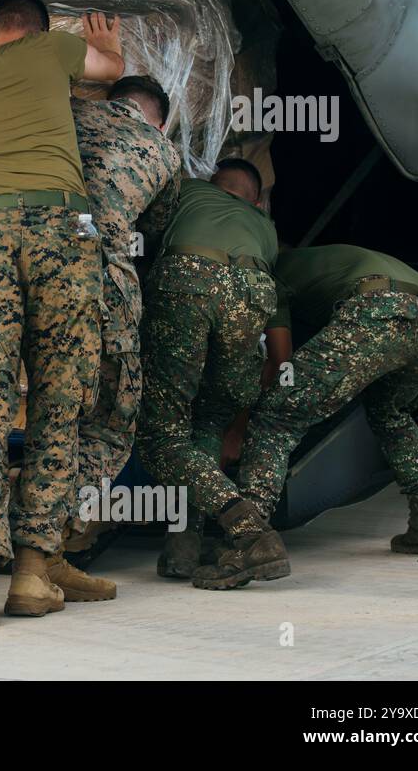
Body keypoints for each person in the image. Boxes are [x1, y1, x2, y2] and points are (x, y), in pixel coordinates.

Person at [0, 0, 125, 628]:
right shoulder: (51, 48)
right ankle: (37, 572)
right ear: (39, 32)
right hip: (64, 232)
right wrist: (110, 47)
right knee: (59, 403)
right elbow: (108, 73)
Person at [229, 244, 418, 571]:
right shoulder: (332, 258)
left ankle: (249, 539)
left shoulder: (274, 271)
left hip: (378, 310)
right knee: (392, 415)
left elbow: (280, 357)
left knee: (278, 417)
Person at [51, 76, 182, 602]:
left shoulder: (66, 112)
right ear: (160, 120)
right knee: (108, 416)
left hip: (26, 271)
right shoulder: (163, 150)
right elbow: (155, 232)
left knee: (50, 408)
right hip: (101, 283)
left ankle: (0, 540)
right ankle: (47, 540)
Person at [136, 158, 289, 590]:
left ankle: (249, 531)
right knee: (210, 418)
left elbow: (143, 237)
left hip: (191, 276)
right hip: (252, 290)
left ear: (212, 183)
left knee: (162, 437)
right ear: (256, 198)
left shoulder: (186, 190)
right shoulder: (264, 224)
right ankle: (183, 548)